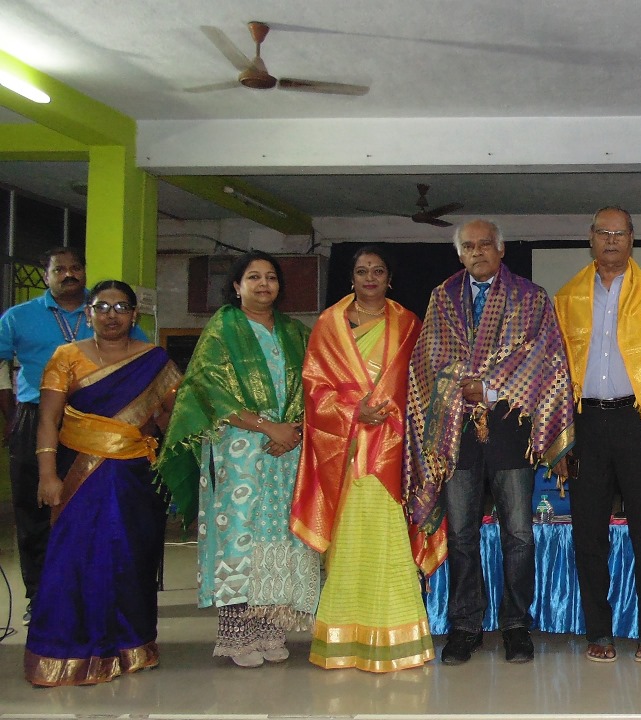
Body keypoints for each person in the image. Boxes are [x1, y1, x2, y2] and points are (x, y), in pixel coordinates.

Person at [404, 220, 574, 665]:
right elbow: (427, 359)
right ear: (459, 254)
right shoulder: (442, 298)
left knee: (518, 534)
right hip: (454, 432)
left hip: (508, 427)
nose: (477, 252)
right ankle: (466, 626)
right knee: (461, 534)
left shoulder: (530, 297)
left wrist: (492, 387)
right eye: (469, 246)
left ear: (501, 251)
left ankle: (517, 626)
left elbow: (544, 357)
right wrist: (463, 383)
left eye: (485, 245)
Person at [157, 250, 322, 669]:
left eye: (270, 277)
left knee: (282, 534)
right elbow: (209, 390)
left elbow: (314, 385)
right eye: (253, 277)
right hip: (239, 447)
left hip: (289, 450)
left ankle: (271, 628)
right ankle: (237, 636)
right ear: (236, 286)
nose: (263, 284)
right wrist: (269, 427)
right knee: (241, 534)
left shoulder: (295, 331)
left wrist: (294, 431)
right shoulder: (222, 328)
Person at [552, 206, 641, 663]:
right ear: (590, 238)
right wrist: (557, 437)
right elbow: (554, 374)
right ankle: (600, 631)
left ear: (633, 239)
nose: (611, 240)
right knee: (588, 531)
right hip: (585, 423)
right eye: (603, 233)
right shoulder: (568, 297)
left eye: (620, 233)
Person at [22, 281, 181, 687]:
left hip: (135, 479)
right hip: (78, 473)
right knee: (73, 560)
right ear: (88, 313)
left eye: (121, 307)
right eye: (102, 306)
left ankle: (132, 647)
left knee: (132, 560)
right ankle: (65, 653)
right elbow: (47, 420)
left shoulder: (155, 360)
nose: (111, 314)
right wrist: (47, 474)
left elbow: (170, 415)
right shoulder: (67, 357)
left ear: (134, 315)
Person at [291, 245, 433, 672]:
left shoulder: (408, 323)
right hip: (347, 452)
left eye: (378, 271)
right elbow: (314, 387)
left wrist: (388, 413)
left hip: (392, 449)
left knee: (389, 543)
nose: (369, 277)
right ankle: (342, 638)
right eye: (361, 271)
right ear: (350, 279)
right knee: (351, 543)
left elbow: (422, 382)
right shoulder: (328, 325)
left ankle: (399, 637)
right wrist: (355, 412)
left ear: (389, 278)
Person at [0, 248, 145, 625]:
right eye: (58, 269)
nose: (68, 274)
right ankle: (40, 595)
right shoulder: (19, 317)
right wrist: (9, 410)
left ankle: (96, 592)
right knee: (36, 510)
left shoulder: (107, 310)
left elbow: (141, 366)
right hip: (37, 418)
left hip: (100, 425)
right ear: (46, 275)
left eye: (75, 268)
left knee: (94, 512)